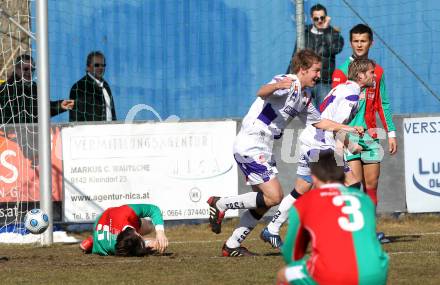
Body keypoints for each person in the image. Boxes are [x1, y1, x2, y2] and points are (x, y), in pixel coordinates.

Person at [207, 49, 363, 257]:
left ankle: (232, 245)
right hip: (251, 143)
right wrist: (278, 85)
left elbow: (319, 122)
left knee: (264, 201)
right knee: (275, 196)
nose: (319, 75)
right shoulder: (287, 81)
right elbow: (261, 92)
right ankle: (220, 203)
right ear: (302, 70)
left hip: (264, 146)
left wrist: (349, 129)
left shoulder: (305, 97)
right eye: (316, 71)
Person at [261, 57, 376, 249]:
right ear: (361, 75)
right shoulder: (352, 96)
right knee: (353, 185)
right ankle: (342, 235)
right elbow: (334, 127)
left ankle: (272, 228)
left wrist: (350, 144)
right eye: (372, 72)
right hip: (321, 144)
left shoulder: (343, 88)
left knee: (302, 187)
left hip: (310, 140)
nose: (375, 75)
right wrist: (346, 145)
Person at [276, 151, 389, 285]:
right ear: (343, 174)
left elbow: (292, 254)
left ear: (314, 177)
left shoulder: (305, 202)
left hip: (333, 275)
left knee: (284, 275)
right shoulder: (365, 200)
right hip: (376, 272)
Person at [332, 24, 397, 243]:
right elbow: (335, 106)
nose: (360, 44)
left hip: (372, 136)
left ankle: (369, 231)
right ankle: (352, 232)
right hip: (349, 136)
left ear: (371, 42)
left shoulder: (377, 72)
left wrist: (392, 133)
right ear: (351, 43)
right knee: (354, 186)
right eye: (356, 41)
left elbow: (383, 104)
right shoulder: (341, 71)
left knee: (371, 185)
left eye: (364, 41)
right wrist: (340, 135)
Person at [286, 3, 344, 108]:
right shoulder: (305, 33)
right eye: (316, 18)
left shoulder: (333, 34)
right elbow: (295, 56)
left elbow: (336, 49)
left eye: (322, 18)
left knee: (324, 113)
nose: (320, 21)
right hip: (305, 81)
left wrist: (326, 30)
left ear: (326, 18)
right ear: (312, 18)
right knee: (308, 117)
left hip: (323, 82)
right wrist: (288, 77)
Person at [0, 54, 74, 124]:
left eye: (32, 69)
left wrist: (60, 105)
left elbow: (44, 108)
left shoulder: (34, 87)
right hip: (11, 135)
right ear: (16, 69)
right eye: (26, 69)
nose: (29, 72)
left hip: (33, 133)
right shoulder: (5, 89)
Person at [79, 204, 168, 256]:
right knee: (156, 243)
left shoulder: (128, 212)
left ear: (137, 234)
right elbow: (151, 247)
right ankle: (92, 239)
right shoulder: (120, 247)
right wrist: (152, 245)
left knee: (149, 227)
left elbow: (153, 209)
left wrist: (160, 232)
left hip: (104, 219)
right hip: (102, 225)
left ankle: (92, 240)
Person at [69, 51, 116, 122]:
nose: (101, 68)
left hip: (110, 131)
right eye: (96, 65)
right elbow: (76, 117)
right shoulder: (79, 87)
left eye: (103, 65)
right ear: (88, 67)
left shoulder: (106, 85)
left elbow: (112, 113)